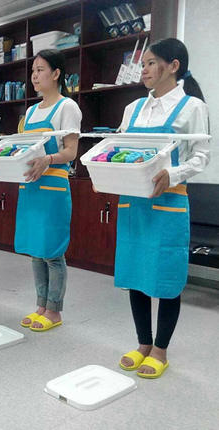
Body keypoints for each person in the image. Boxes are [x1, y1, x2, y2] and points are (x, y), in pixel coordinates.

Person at [116, 38, 210, 378]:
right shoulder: (133, 109)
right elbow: (119, 147)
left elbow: (201, 156)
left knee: (166, 276)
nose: (143, 70)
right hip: (134, 201)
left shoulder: (192, 107)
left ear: (173, 66)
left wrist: (173, 173)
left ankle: (160, 350)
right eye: (143, 64)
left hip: (170, 200)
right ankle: (143, 343)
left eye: (151, 63)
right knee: (136, 273)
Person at [16, 50, 81, 332]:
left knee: (52, 252)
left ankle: (54, 310)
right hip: (31, 185)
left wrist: (48, 159)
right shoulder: (31, 111)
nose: (34, 76)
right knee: (36, 249)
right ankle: (40, 306)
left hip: (53, 186)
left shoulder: (68, 107)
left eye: (40, 70)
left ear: (56, 74)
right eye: (33, 71)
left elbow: (71, 151)